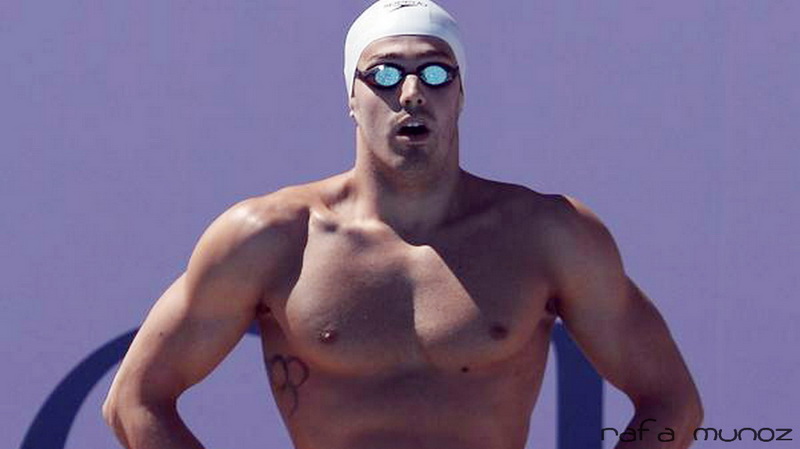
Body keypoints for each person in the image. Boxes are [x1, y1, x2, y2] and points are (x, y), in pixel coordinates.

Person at [102, 1, 702, 448]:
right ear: (351, 97)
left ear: (461, 96)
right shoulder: (271, 237)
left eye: (437, 73)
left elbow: (671, 401)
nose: (412, 92)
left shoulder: (548, 234)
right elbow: (134, 400)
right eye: (385, 75)